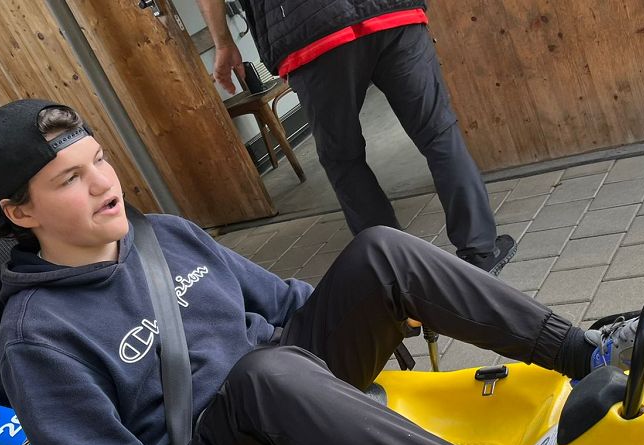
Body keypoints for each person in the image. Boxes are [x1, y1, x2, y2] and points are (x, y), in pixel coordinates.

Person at [0, 99, 644, 445]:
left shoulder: (165, 236)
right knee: (268, 374)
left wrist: (383, 305)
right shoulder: (38, 338)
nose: (104, 183)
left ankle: (590, 354)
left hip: (289, 388)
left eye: (99, 159)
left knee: (380, 251)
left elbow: (288, 303)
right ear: (20, 212)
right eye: (70, 179)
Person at [196, 0, 519, 275]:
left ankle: (399, 276)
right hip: (390, 12)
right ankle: (480, 253)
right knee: (439, 134)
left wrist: (223, 43)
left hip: (309, 31)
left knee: (343, 160)